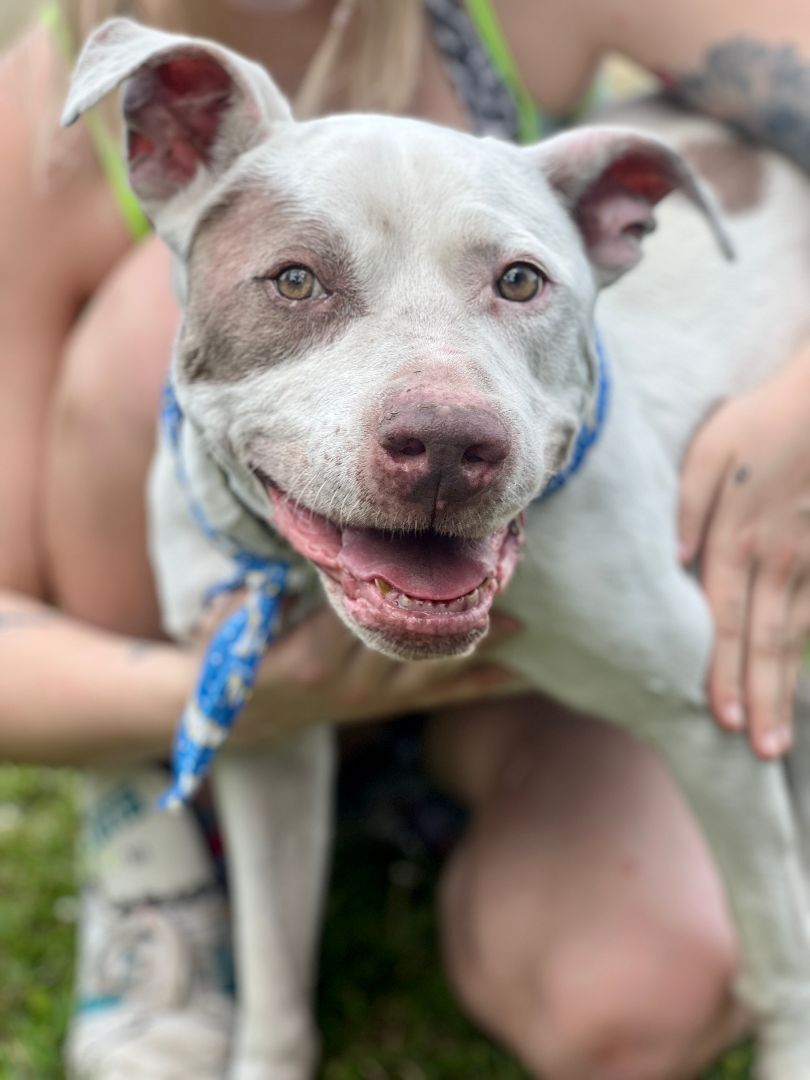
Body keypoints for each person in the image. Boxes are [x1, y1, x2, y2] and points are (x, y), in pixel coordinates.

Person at [1, 0, 810, 1076]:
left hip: (540, 647)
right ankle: (153, 815)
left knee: (625, 1002)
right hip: (186, 630)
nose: (442, 424)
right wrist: (231, 696)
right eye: (299, 279)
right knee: (131, 339)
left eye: (517, 279)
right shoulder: (46, 114)